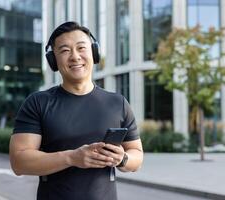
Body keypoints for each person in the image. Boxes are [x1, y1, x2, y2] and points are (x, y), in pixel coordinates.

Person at [9, 21, 143, 200]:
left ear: (94, 53)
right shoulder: (37, 103)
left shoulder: (117, 102)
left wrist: (122, 159)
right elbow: (19, 162)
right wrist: (72, 158)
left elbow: (137, 155)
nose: (75, 56)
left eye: (81, 48)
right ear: (53, 60)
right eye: (65, 50)